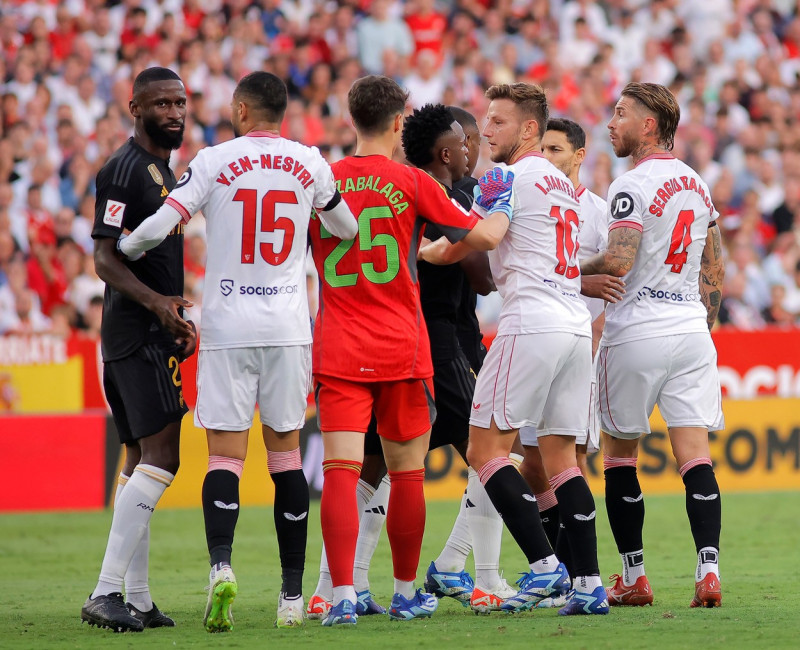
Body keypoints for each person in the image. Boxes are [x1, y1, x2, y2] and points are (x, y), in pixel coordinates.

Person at [119, 72, 359, 631]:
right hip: (287, 326)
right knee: (287, 459)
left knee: (225, 458)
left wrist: (122, 249)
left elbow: (162, 224)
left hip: (228, 325)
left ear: (242, 110)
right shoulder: (310, 161)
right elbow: (345, 228)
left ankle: (221, 568)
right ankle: (292, 596)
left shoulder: (213, 159)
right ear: (284, 113)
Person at [307, 74, 515, 627]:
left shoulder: (319, 181)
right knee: (407, 476)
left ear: (351, 119)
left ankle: (341, 594)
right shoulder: (412, 181)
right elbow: (485, 240)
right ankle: (404, 593)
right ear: (399, 121)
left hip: (339, 347)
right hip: (403, 345)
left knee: (342, 472)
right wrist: (507, 201)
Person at [420, 82, 608, 616]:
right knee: (559, 461)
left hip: (529, 323)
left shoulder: (506, 175)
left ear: (529, 128)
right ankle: (588, 584)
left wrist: (423, 253)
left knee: (484, 452)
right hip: (573, 325)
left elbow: (478, 237)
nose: (486, 131)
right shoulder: (564, 184)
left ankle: (546, 567)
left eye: (497, 121)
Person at [580, 82, 725, 609]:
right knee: (696, 457)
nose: (611, 123)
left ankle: (634, 577)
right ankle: (708, 568)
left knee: (619, 456)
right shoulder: (698, 185)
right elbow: (714, 268)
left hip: (636, 331)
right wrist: (699, 324)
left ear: (649, 126)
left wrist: (563, 266)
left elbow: (617, 261)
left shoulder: (631, 185)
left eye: (621, 114)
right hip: (690, 332)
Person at [81, 67, 195, 633]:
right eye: (162, 104)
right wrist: (156, 306)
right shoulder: (123, 171)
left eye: (180, 102)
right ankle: (105, 592)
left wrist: (170, 312)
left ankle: (140, 597)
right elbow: (105, 259)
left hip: (147, 331)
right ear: (135, 108)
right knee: (163, 458)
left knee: (138, 462)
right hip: (135, 334)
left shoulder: (163, 171)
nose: (174, 112)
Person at [519, 118, 624, 606]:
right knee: (533, 463)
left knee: (571, 459)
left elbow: (616, 276)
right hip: (537, 339)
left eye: (555, 148)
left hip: (579, 345)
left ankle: (571, 573)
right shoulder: (538, 199)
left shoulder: (598, 212)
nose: (546, 155)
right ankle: (559, 571)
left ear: (579, 155)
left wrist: (598, 337)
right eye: (542, 147)